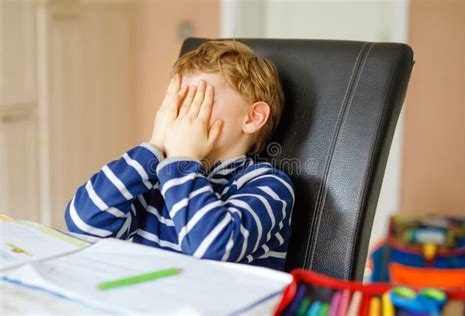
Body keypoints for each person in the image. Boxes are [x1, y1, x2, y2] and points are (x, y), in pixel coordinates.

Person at [65, 40, 295, 271]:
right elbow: (83, 224)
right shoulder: (158, 180)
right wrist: (155, 146)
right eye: (177, 101)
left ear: (252, 118)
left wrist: (183, 160)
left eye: (199, 100)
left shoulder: (269, 185)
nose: (182, 114)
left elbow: (211, 247)